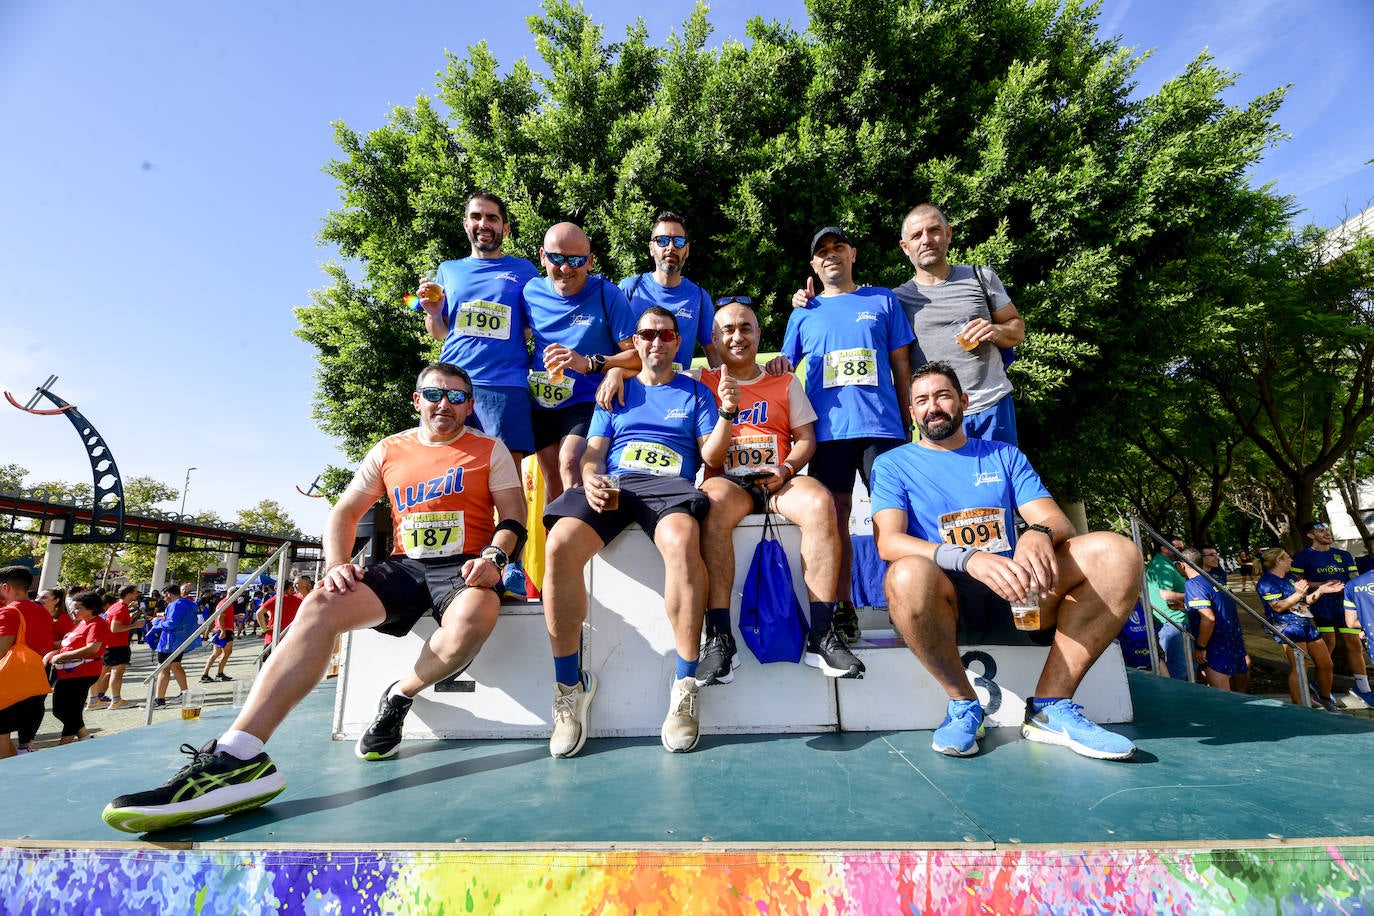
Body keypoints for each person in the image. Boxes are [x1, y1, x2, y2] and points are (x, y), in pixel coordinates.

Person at [103, 362, 526, 833]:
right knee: (320, 604)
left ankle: (400, 694)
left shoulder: (490, 449)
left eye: (457, 397)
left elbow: (513, 514)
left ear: (470, 406)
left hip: (468, 564)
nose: (444, 405)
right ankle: (239, 754)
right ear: (416, 400)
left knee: (472, 615)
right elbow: (345, 512)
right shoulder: (389, 449)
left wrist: (494, 556)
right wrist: (337, 564)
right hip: (406, 566)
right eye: (434, 394)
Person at [872, 362, 1139, 760]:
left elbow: (1054, 520)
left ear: (963, 401)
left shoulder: (1004, 455)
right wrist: (968, 559)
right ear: (911, 413)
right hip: (947, 605)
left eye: (943, 396)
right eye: (922, 401)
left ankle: (1051, 708)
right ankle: (963, 705)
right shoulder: (892, 464)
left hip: (1022, 598)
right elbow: (889, 542)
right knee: (905, 573)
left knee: (1116, 552)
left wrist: (1039, 532)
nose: (933, 407)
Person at [541, 306, 722, 758]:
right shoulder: (615, 392)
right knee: (560, 543)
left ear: (678, 343)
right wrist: (591, 478)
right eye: (647, 334)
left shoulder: (697, 393)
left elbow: (710, 455)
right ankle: (569, 688)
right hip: (615, 485)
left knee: (682, 541)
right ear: (635, 343)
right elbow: (592, 455)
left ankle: (685, 683)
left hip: (669, 488)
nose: (656, 342)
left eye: (666, 335)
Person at [692, 298, 860, 683]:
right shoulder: (701, 383)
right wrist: (612, 373)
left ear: (759, 334)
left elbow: (805, 439)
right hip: (730, 481)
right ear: (714, 340)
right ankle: (719, 639)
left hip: (779, 478)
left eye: (746, 328)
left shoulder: (784, 380)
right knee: (712, 504)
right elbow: (648, 360)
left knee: (821, 502)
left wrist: (786, 469)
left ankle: (822, 633)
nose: (737, 337)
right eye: (727, 330)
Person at [774, 226, 914, 642]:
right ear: (813, 265)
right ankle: (843, 609)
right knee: (834, 521)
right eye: (822, 252)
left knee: (894, 519)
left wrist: (911, 418)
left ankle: (905, 606)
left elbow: (901, 364)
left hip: (884, 428)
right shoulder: (804, 311)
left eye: (839, 247)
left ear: (853, 253)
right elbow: (784, 365)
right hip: (829, 433)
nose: (831, 255)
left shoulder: (883, 299)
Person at [415, 190, 542, 598]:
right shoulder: (448, 271)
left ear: (505, 226)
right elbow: (441, 331)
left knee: (510, 480)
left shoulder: (523, 270)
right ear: (466, 224)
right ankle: (454, 564)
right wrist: (434, 312)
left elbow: (531, 327)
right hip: (452, 386)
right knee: (451, 476)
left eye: (492, 218)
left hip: (505, 385)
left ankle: (512, 567)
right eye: (476, 217)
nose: (484, 224)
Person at [523, 222, 638, 502]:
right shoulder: (530, 293)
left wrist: (588, 363)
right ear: (542, 256)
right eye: (556, 258)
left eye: (576, 260)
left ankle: (579, 537)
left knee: (570, 461)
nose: (565, 268)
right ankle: (558, 541)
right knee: (551, 478)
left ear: (590, 261)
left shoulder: (606, 293)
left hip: (588, 398)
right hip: (543, 400)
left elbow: (637, 355)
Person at [893, 203, 1025, 445]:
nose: (926, 240)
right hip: (938, 416)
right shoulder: (897, 300)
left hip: (991, 405)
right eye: (916, 235)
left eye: (934, 230)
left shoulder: (980, 277)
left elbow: (1017, 329)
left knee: (999, 481)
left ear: (948, 234)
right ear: (905, 247)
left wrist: (995, 330)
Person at [619, 211, 721, 371]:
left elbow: (714, 352)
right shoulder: (629, 289)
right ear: (651, 248)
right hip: (632, 389)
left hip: (678, 391)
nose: (671, 247)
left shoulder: (699, 297)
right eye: (663, 241)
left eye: (678, 241)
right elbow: (611, 344)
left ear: (686, 250)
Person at [1291, 521, 1370, 701]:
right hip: (1321, 606)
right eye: (1321, 531)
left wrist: (1351, 588)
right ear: (1311, 536)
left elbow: (1354, 578)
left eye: (1327, 530)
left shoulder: (1344, 555)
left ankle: (1364, 690)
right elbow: (1295, 583)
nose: (1327, 533)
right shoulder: (1302, 557)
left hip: (1345, 606)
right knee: (1328, 644)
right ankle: (1320, 686)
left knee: (1355, 644)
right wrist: (1322, 586)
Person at [1257, 547, 1338, 709]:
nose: (1291, 560)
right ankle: (1300, 706)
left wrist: (1321, 590)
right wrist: (1298, 594)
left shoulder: (1291, 578)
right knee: (1300, 667)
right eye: (1287, 557)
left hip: (1306, 624)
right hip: (1288, 627)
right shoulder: (1267, 581)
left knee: (1326, 664)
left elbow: (1304, 601)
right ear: (1279, 561)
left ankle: (1324, 698)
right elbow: (1278, 607)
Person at [1177, 547, 1250, 692]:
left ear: (1182, 564)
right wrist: (1187, 607)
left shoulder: (1193, 584)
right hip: (1233, 639)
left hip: (1216, 645)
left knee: (1223, 698)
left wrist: (1200, 647)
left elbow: (1208, 619)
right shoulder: (1215, 579)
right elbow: (1217, 607)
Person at [0, 566, 53, 757]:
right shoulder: (43, 612)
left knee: (1, 735)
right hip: (35, 680)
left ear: (6, 587)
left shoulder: (10, 612)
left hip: (9, 682)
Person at [44, 591, 109, 744]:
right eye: (72, 608)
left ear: (92, 608)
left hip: (83, 672)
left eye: (78, 608)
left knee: (69, 711)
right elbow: (68, 643)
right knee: (61, 710)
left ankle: (64, 745)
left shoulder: (97, 624)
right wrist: (54, 651)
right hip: (68, 673)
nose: (73, 611)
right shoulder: (81, 623)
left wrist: (62, 656)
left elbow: (93, 648)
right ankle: (85, 738)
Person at [89, 584, 143, 709]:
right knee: (117, 672)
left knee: (101, 673)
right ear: (129, 594)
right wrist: (135, 625)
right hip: (117, 645)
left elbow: (114, 623)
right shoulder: (121, 608)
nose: (137, 594)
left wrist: (130, 618)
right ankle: (116, 700)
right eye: (135, 592)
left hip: (108, 645)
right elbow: (115, 628)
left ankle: (93, 701)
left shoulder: (115, 606)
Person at [147, 584, 199, 707]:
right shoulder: (187, 604)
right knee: (176, 666)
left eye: (165, 596)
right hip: (179, 641)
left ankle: (159, 700)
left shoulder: (176, 604)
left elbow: (171, 624)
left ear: (169, 594)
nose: (164, 599)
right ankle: (184, 693)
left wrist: (157, 622)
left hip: (170, 641)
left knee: (163, 669)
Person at [1144, 541, 1190, 680]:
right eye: (1177, 547)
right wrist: (1193, 595)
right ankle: (1180, 699)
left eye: (1182, 546)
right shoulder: (1161, 565)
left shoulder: (1166, 564)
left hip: (1175, 620)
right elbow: (1166, 594)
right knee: (1179, 669)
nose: (1181, 550)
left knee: (1184, 666)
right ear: (1164, 547)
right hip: (1172, 622)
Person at [256, 576, 313, 651]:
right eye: (292, 585)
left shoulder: (276, 599)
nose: (294, 587)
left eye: (296, 584)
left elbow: (259, 613)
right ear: (289, 588)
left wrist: (264, 628)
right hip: (289, 637)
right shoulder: (297, 600)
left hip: (274, 636)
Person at [201, 596, 236, 683]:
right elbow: (220, 617)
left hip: (220, 629)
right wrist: (223, 631)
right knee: (226, 652)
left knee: (216, 653)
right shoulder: (227, 603)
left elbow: (221, 616)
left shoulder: (222, 602)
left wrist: (234, 617)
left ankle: (205, 675)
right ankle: (219, 674)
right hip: (225, 630)